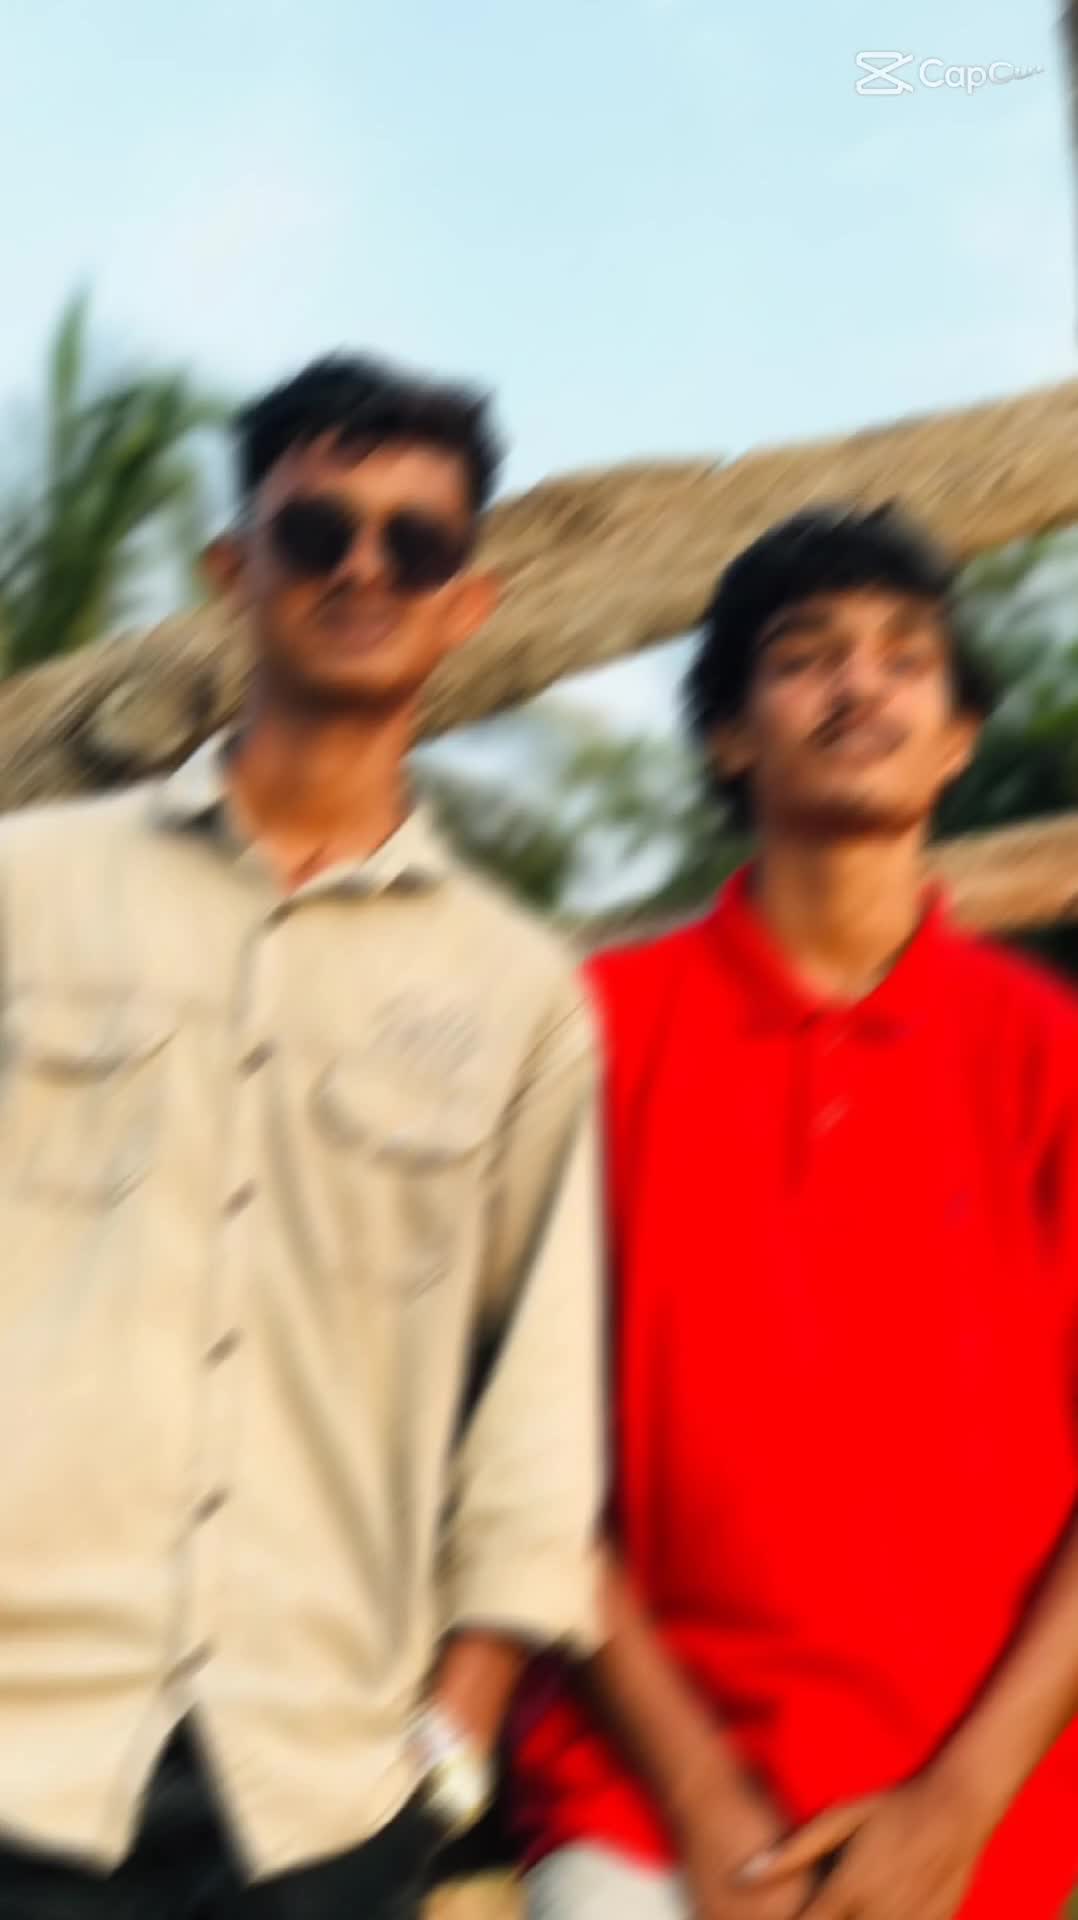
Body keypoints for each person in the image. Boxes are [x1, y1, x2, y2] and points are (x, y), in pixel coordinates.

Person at [0, 353, 603, 1919]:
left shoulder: (516, 991)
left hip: (318, 1790)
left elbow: (538, 1403)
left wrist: (453, 1738)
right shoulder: (25, 892)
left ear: (466, 604)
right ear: (232, 570)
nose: (362, 569)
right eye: (315, 529)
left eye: (415, 543)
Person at [509, 504, 1078, 1920]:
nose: (859, 684)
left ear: (955, 740)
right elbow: (517, 1451)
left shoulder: (1047, 1056)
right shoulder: (592, 1036)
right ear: (727, 737)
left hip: (975, 1819)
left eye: (904, 658)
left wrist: (957, 1807)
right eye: (805, 655)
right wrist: (703, 1800)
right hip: (639, 1801)